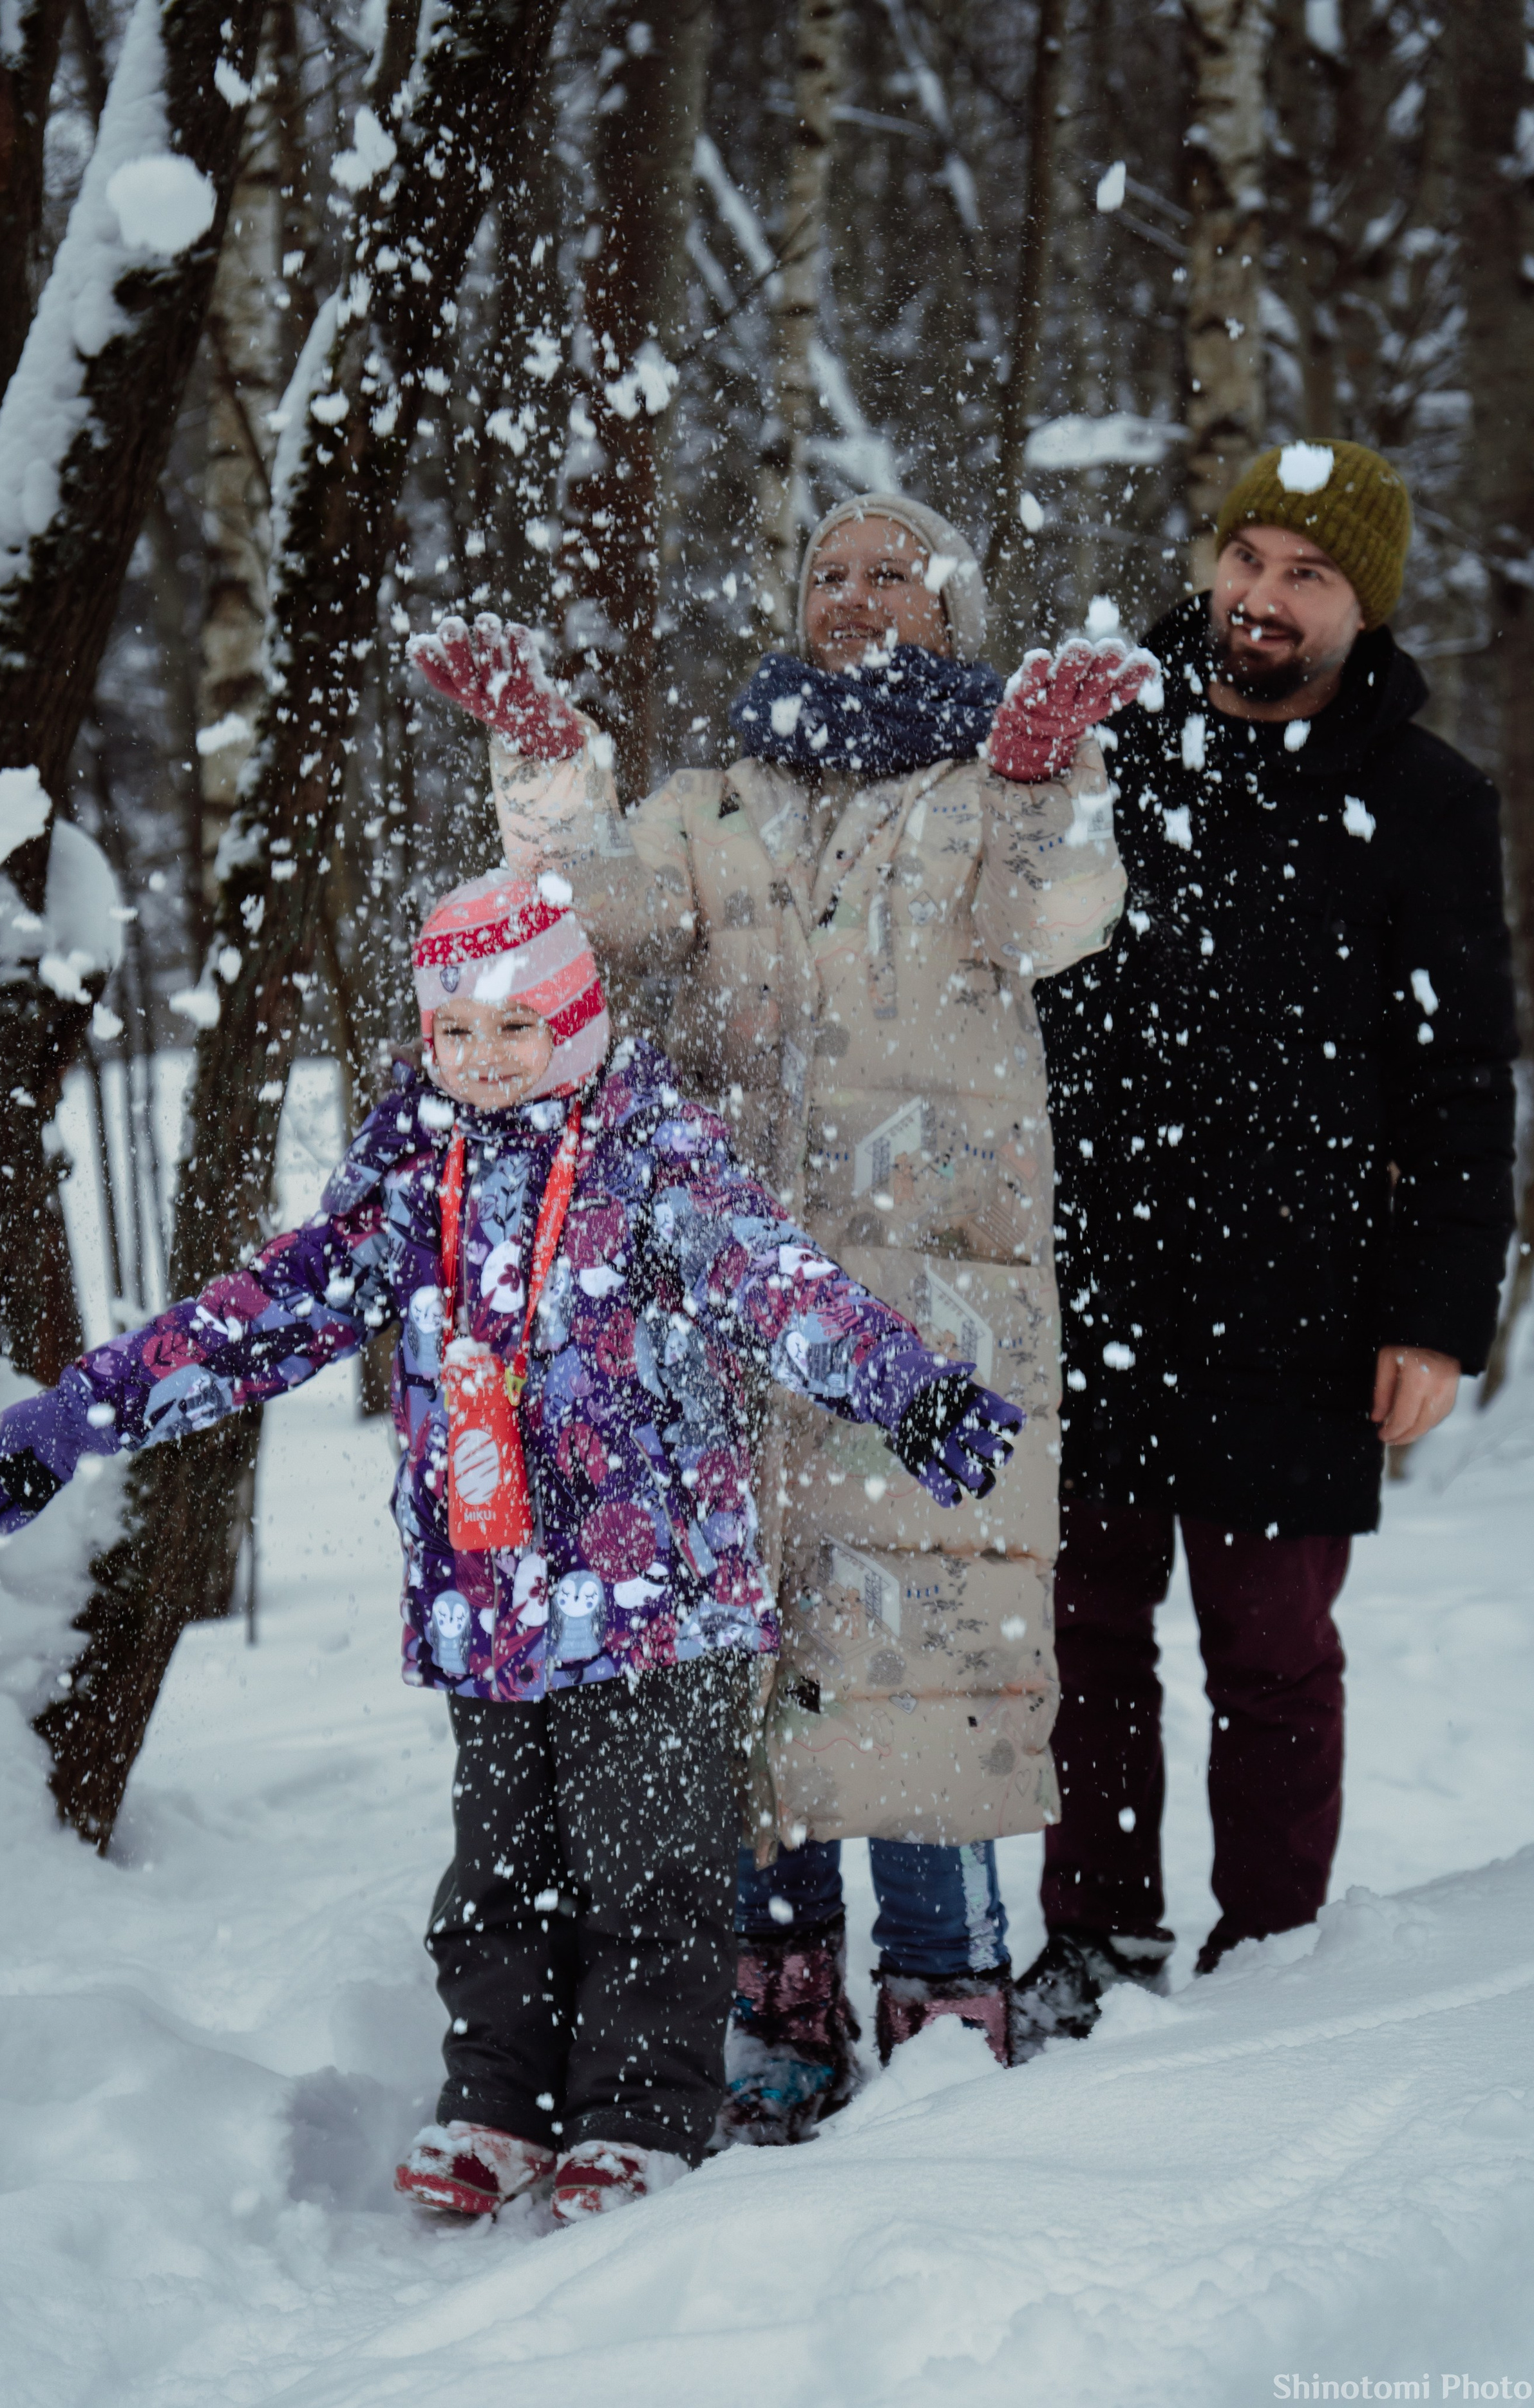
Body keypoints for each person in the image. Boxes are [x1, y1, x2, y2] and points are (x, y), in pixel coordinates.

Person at [0, 867, 1018, 2220]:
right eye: (458, 1032)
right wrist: (67, 1423)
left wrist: (910, 1386)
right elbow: (254, 1317)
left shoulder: (653, 1151)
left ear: (577, 1018)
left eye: (517, 1028)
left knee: (649, 1870)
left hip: (648, 1594)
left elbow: (775, 1281)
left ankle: (640, 2112)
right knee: (496, 1872)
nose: (487, 1059)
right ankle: (501, 2099)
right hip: (485, 1597)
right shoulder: (410, 1168)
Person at [410, 494, 1155, 2125]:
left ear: (951, 607)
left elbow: (1062, 916)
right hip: (735, 1299)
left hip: (933, 1303)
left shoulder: (989, 787)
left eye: (896, 567)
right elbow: (573, 922)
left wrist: (1035, 782)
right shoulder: (722, 802)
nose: (857, 592)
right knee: (746, 1638)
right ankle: (782, 1980)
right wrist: (548, 773)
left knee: (925, 1636)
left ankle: (947, 1983)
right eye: (829, 570)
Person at [1021, 439, 1518, 2042]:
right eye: (1247, 559)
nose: (1260, 597)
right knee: (1080, 1635)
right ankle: (1093, 1935)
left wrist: (1437, 1318)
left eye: (1306, 576)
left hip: (1297, 1297)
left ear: (1360, 613)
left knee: (1269, 1653)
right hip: (1083, 1266)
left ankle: (1271, 1959)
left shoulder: (1426, 801)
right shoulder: (1100, 737)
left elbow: (1458, 1077)